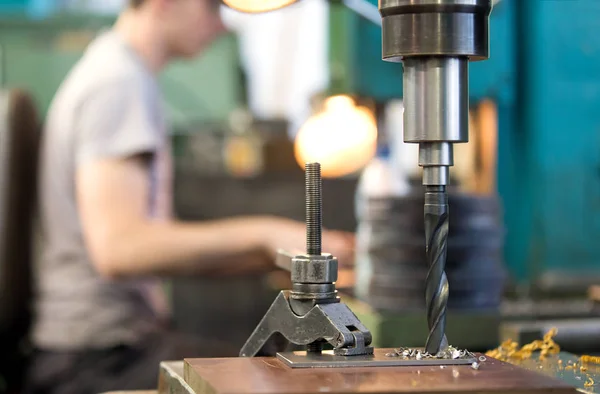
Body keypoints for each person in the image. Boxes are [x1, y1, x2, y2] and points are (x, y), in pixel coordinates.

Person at [26, 0, 354, 393]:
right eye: (211, 7)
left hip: (108, 348)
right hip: (94, 360)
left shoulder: (121, 74)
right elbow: (120, 249)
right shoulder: (117, 83)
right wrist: (266, 236)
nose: (221, 25)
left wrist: (271, 252)